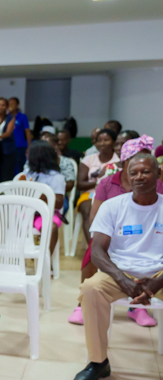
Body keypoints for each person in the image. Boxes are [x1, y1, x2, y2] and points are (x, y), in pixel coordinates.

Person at [73, 152, 163, 380]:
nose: (139, 177)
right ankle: (98, 361)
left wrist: (156, 283)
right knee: (92, 288)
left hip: (159, 274)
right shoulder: (113, 207)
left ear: (159, 174)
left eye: (145, 171)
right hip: (120, 272)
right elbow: (98, 252)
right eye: (133, 173)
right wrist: (123, 280)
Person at [68, 134, 163, 325]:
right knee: (93, 253)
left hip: (147, 241)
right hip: (113, 237)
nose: (140, 166)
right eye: (134, 160)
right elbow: (95, 216)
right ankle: (81, 303)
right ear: (125, 161)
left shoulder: (156, 184)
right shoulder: (107, 182)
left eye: (146, 162)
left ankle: (136, 307)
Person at [20, 140, 65, 256]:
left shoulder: (56, 177)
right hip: (25, 213)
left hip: (46, 214)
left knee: (51, 227)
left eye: (29, 154)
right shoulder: (27, 174)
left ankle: (45, 261)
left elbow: (59, 203)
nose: (26, 156)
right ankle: (17, 257)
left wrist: (39, 195)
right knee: (8, 222)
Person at [75, 128, 119, 247]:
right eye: (99, 140)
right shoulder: (89, 159)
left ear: (114, 142)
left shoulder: (119, 161)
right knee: (87, 211)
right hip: (89, 193)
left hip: (112, 195)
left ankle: (112, 247)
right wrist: (100, 184)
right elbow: (80, 184)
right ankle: (93, 248)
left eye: (106, 140)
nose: (102, 143)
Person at [7, 96, 31, 175]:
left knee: (19, 167)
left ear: (17, 105)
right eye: (9, 104)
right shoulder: (7, 117)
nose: (10, 106)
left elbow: (27, 132)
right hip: (9, 147)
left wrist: (29, 146)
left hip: (20, 146)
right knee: (9, 167)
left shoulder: (22, 117)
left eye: (12, 104)